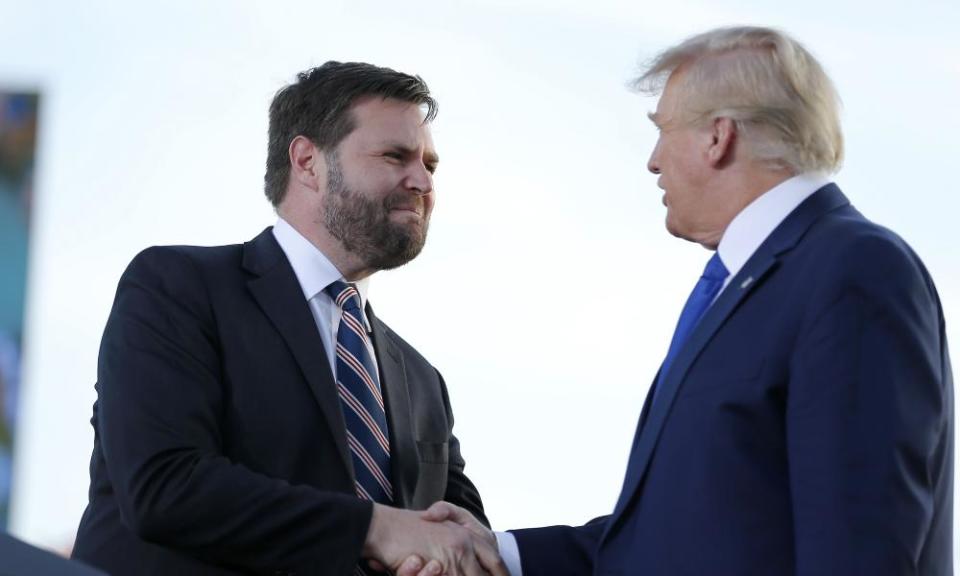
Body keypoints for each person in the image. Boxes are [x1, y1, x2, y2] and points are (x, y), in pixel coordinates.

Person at [409, 26, 954, 576]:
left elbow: (860, 544)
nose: (652, 160)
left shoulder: (851, 268)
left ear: (718, 137)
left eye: (663, 129)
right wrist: (498, 552)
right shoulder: (753, 282)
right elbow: (682, 534)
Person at [72, 61, 505, 576]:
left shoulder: (423, 382)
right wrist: (378, 528)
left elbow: (467, 543)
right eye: (396, 156)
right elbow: (164, 486)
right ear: (307, 162)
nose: (422, 181)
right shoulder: (178, 287)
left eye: (430, 166)